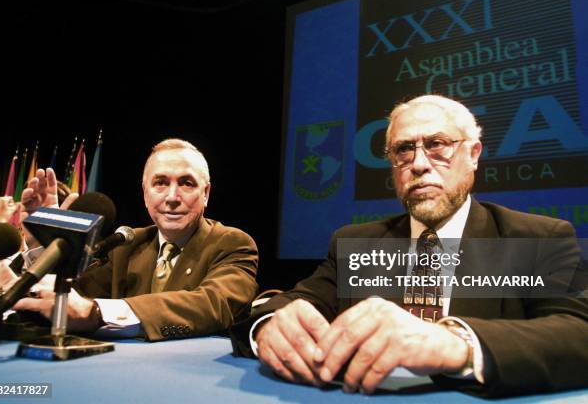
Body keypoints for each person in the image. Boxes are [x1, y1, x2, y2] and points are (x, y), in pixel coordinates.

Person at [230, 95, 588, 397]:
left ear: (474, 154)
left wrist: (453, 344)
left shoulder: (537, 238)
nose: (418, 164)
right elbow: (292, 303)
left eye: (437, 145)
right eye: (404, 150)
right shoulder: (354, 243)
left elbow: (578, 333)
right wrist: (270, 325)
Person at [15, 138, 259, 341]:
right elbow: (69, 300)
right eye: (160, 183)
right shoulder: (127, 244)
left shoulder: (232, 244)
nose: (172, 197)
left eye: (186, 183)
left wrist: (99, 313)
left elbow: (213, 305)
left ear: (205, 194)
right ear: (145, 194)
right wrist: (47, 248)